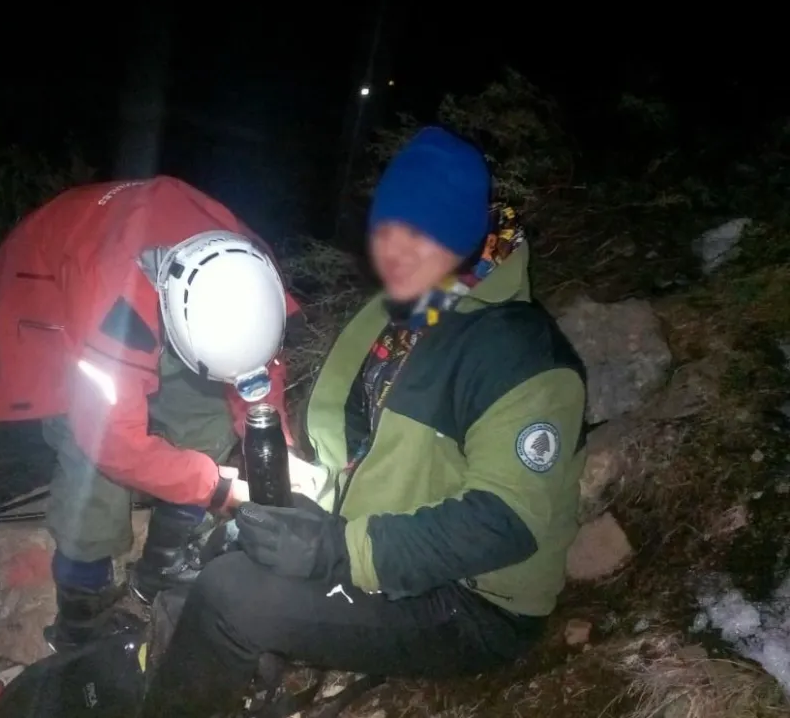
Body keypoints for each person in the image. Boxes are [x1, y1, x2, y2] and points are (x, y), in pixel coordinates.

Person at [138, 127, 589, 717]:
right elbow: (370, 445)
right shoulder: (410, 313)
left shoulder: (521, 354)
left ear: (460, 235)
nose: (394, 252)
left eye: (419, 235)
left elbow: (505, 523)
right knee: (245, 535)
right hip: (383, 538)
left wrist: (342, 551)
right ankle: (261, 666)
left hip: (473, 601)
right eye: (387, 230)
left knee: (230, 595)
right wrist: (313, 489)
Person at [0, 176, 305, 652]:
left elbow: (259, 371)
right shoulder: (112, 301)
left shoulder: (245, 274)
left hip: (152, 291)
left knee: (203, 418)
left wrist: (277, 443)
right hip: (51, 311)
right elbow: (113, 445)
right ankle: (82, 611)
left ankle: (161, 568)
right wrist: (215, 486)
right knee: (92, 466)